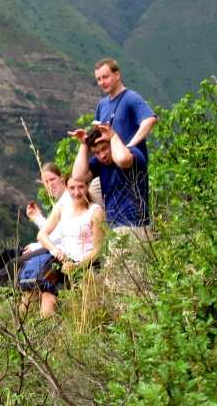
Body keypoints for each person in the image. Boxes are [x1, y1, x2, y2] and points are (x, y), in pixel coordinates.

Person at [24, 176, 105, 318]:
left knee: (48, 296)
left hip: (86, 265)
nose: (77, 192)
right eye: (72, 188)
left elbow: (98, 249)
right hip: (62, 262)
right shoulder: (62, 208)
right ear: (67, 188)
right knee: (29, 294)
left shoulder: (95, 211)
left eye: (81, 187)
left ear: (87, 186)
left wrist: (78, 266)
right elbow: (42, 235)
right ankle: (23, 328)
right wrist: (55, 250)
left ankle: (49, 325)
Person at [70, 124, 150, 230]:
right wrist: (84, 145)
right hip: (113, 226)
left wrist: (113, 136)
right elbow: (78, 176)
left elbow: (122, 160)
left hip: (136, 225)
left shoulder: (132, 153)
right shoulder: (100, 163)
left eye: (104, 148)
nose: (102, 155)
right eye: (96, 153)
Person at [93, 58, 157, 159]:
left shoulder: (131, 97)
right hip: (111, 165)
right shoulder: (102, 105)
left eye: (105, 77)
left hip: (131, 163)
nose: (102, 82)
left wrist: (130, 147)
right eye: (99, 79)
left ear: (117, 75)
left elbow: (150, 119)